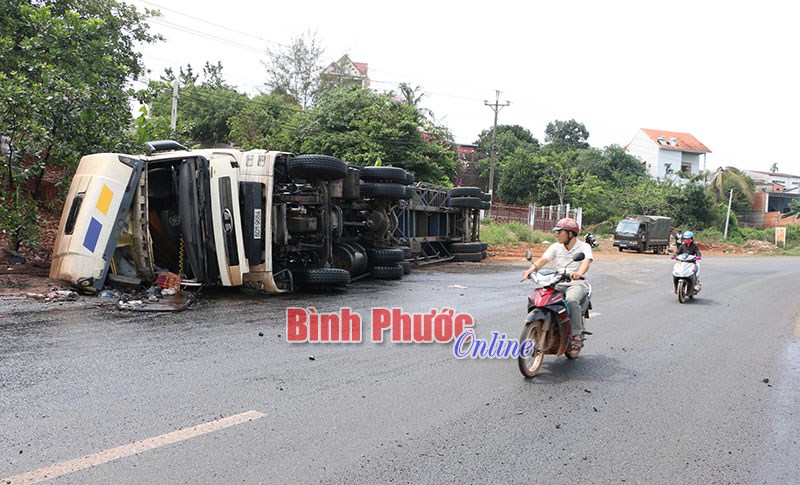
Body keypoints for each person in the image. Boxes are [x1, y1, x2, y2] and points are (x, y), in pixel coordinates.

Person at [522, 217, 593, 351]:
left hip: (576, 283)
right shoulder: (556, 247)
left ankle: (576, 334)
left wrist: (578, 273)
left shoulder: (584, 247)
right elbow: (543, 260)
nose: (557, 235)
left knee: (571, 300)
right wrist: (530, 270)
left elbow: (586, 262)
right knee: (536, 296)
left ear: (570, 234)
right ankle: (536, 324)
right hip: (558, 281)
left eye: (560, 232)